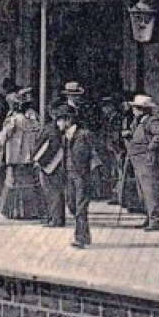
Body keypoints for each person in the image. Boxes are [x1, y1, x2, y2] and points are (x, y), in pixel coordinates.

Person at [0, 90, 46, 221]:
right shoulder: (32, 119)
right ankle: (30, 212)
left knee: (12, 183)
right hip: (29, 157)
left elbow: (3, 137)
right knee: (30, 184)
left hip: (15, 157)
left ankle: (13, 212)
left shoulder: (14, 120)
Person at [123, 94, 159, 230]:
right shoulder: (138, 122)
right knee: (142, 192)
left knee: (151, 191)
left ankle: (155, 220)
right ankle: (149, 217)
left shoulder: (152, 121)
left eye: (135, 108)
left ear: (141, 109)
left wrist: (150, 149)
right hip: (137, 161)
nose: (133, 110)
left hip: (147, 161)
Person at [58, 105, 101, 248]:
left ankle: (81, 238)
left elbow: (95, 154)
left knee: (80, 208)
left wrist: (94, 173)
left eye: (60, 120)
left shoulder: (84, 134)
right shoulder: (65, 137)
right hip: (69, 175)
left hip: (82, 176)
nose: (58, 124)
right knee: (71, 204)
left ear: (68, 120)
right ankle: (84, 235)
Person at [34, 101, 67, 227]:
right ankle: (53, 217)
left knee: (53, 192)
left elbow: (53, 147)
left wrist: (41, 162)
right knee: (52, 192)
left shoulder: (53, 128)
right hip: (50, 164)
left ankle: (55, 219)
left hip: (51, 165)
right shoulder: (52, 127)